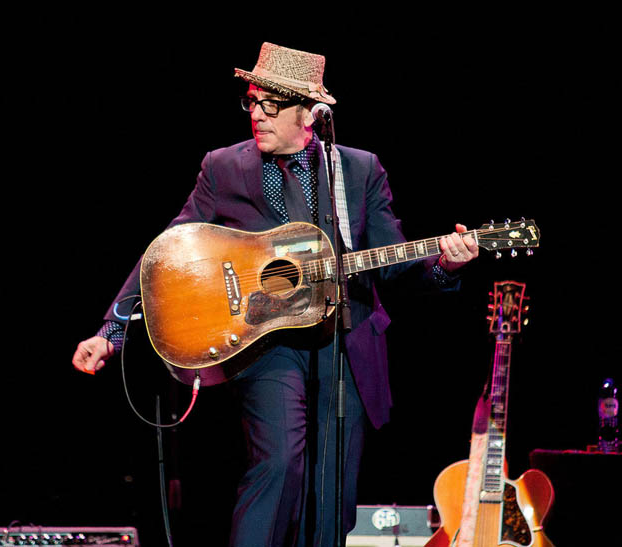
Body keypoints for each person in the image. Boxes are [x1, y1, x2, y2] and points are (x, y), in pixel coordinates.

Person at [73, 42, 478, 547]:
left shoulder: (357, 169)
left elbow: (391, 263)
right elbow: (167, 253)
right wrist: (112, 332)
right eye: (252, 101)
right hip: (266, 342)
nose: (257, 116)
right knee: (280, 462)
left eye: (271, 105)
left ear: (311, 113)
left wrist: (444, 262)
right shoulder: (224, 168)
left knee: (334, 493)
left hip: (343, 340)